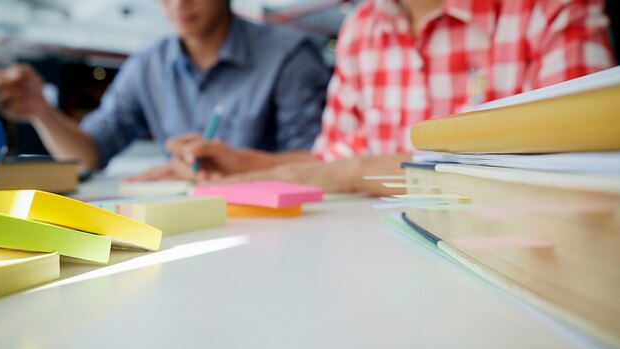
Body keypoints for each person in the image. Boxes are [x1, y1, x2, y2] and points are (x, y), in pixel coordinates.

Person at [162, 0, 615, 194]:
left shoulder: (553, 10)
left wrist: (359, 173)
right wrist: (242, 163)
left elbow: (575, 172)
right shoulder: (363, 28)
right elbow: (335, 160)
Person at [0, 0, 330, 174]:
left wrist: (223, 166)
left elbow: (320, 160)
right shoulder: (145, 67)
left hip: (278, 225)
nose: (178, 3)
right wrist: (42, 112)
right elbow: (90, 155)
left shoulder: (289, 56)